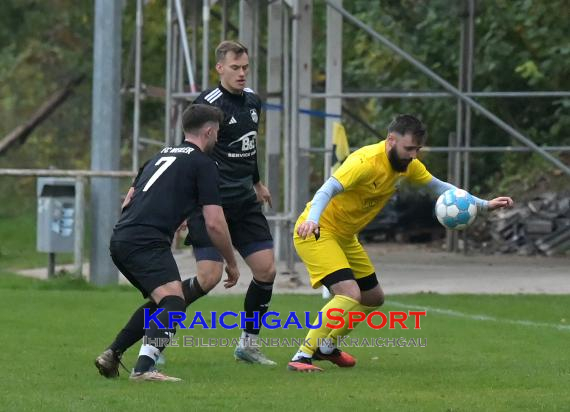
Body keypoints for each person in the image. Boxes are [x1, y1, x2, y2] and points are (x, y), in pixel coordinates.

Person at [287, 114, 514, 372]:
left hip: (346, 236)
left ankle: (327, 347)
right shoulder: (365, 162)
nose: (413, 155)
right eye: (409, 148)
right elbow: (326, 190)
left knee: (373, 298)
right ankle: (302, 356)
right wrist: (313, 220)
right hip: (317, 232)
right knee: (349, 294)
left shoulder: (409, 165)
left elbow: (442, 190)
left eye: (417, 149)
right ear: (391, 140)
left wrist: (484, 205)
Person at [94, 104, 241, 382]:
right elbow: (214, 222)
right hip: (146, 240)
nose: (218, 138)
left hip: (123, 236)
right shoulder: (203, 164)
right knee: (174, 302)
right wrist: (232, 262)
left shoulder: (158, 156)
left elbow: (129, 200)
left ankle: (112, 354)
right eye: (218, 133)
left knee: (164, 300)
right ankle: (144, 369)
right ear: (208, 131)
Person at [182, 40, 277, 365]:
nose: (242, 73)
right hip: (212, 203)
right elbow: (188, 152)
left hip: (244, 200)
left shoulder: (253, 101)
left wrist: (257, 182)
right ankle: (153, 334)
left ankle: (247, 344)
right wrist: (181, 202)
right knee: (208, 278)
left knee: (266, 270)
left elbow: (249, 147)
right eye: (235, 68)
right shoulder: (208, 105)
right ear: (219, 68)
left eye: (246, 68)